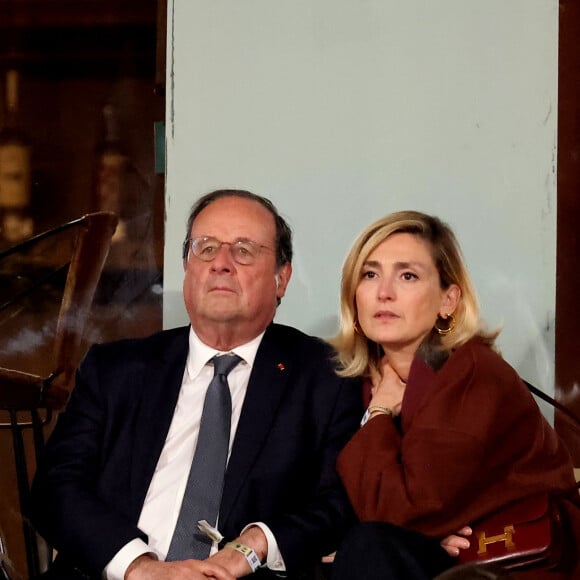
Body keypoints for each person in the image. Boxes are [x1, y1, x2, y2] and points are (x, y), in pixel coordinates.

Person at [29, 189, 364, 580]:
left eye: (243, 250)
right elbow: (56, 489)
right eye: (205, 248)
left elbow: (340, 502)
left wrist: (253, 546)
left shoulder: (327, 377)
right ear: (187, 266)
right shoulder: (116, 369)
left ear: (281, 279)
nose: (221, 263)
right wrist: (139, 567)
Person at [329, 210, 580, 579]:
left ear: (448, 300)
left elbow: (403, 512)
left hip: (515, 567)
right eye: (370, 274)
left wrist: (380, 412)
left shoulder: (471, 373)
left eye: (408, 275)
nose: (384, 292)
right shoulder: (359, 381)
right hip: (440, 563)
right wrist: (427, 533)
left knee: (369, 549)